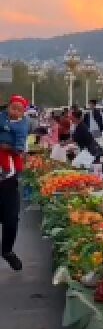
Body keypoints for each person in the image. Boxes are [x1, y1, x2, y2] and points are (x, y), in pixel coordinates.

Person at [0, 95, 31, 270]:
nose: (15, 112)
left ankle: (7, 251)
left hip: (9, 181)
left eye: (19, 109)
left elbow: (20, 147)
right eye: (13, 108)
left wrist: (12, 149)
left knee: (11, 219)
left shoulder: (22, 125)